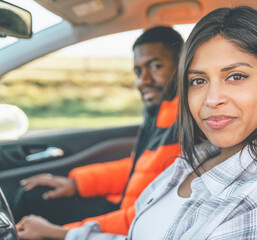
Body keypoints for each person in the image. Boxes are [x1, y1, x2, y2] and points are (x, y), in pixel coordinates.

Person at [61, 6, 257, 240]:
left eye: (235, 76)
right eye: (198, 80)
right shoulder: (196, 157)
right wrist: (70, 235)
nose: (212, 99)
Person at [15, 26, 185, 239]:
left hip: (132, 220)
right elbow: (137, 170)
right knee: (33, 196)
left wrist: (62, 232)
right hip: (125, 207)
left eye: (156, 66)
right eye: (138, 72)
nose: (143, 80)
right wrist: (76, 184)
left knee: (30, 206)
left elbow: (148, 218)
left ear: (182, 66)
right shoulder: (161, 114)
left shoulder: (187, 124)